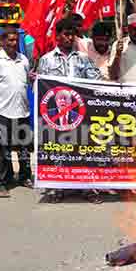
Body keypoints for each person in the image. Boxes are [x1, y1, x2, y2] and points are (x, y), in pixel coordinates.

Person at [37, 18, 104, 204]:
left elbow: (96, 81)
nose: (69, 38)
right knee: (58, 150)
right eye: (65, 34)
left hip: (80, 114)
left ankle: (87, 188)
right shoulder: (46, 60)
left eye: (72, 35)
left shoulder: (83, 59)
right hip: (55, 116)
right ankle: (57, 188)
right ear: (57, 36)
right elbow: (41, 89)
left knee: (83, 151)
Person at [0, 26, 32, 198]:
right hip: (2, 112)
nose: (13, 43)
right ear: (2, 41)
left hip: (23, 111)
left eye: (16, 40)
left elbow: (27, 83)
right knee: (2, 150)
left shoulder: (23, 59)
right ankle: (0, 183)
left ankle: (25, 177)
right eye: (9, 40)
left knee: (24, 148)